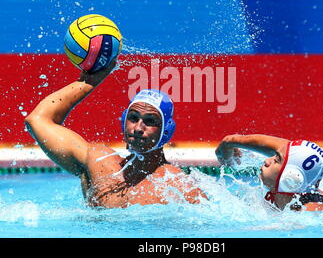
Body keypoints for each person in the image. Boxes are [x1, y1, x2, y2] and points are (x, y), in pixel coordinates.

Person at [25, 60, 206, 208]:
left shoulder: (180, 187)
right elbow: (37, 120)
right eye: (133, 118)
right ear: (123, 121)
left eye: (150, 121)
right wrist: (88, 83)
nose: (138, 128)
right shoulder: (97, 162)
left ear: (166, 131)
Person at [215, 134, 323, 213]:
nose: (266, 161)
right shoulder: (296, 185)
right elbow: (228, 141)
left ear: (290, 178)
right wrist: (228, 146)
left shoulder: (310, 214)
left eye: (276, 160)